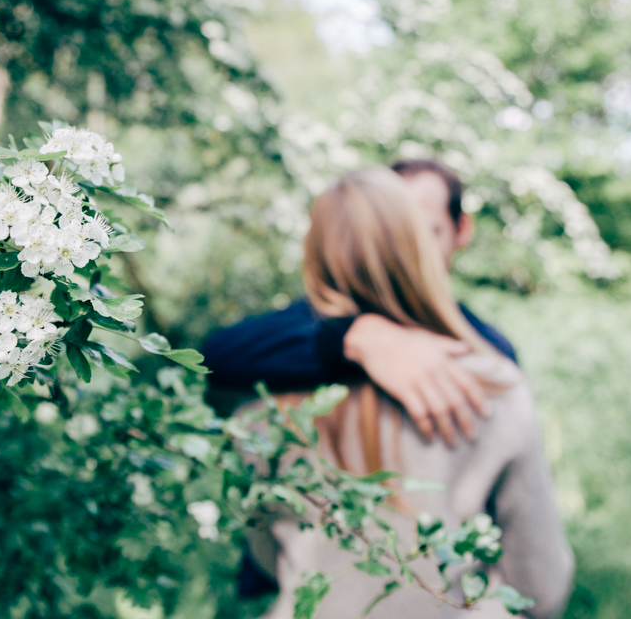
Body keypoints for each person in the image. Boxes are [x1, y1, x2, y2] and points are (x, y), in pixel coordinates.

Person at [242, 169, 573, 619]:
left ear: (315, 253)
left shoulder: (260, 402)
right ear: (418, 245)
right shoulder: (494, 387)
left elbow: (265, 553)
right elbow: (541, 583)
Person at [203, 159, 509, 446]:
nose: (406, 248)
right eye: (394, 231)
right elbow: (215, 355)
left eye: (426, 231)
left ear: (462, 230)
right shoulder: (322, 319)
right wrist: (354, 337)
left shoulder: (488, 347)